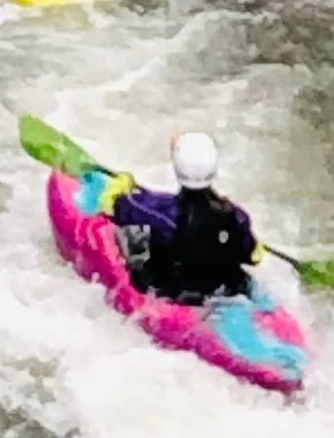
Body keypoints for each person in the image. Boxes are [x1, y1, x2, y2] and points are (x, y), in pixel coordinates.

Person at [111, 130, 262, 306]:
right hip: (223, 289)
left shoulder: (161, 211)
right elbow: (252, 257)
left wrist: (124, 187)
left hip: (173, 291)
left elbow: (121, 208)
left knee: (129, 236)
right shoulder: (236, 216)